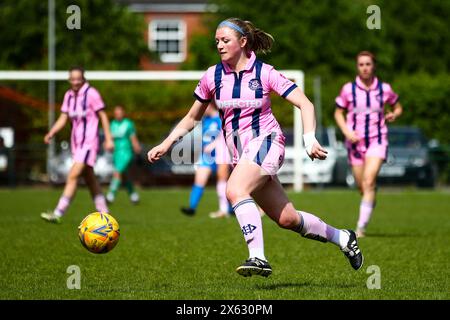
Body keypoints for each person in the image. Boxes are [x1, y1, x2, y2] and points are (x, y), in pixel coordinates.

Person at [148, 18, 363, 277]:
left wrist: (309, 139)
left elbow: (306, 104)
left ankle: (257, 257)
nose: (219, 45)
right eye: (216, 41)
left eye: (225, 40)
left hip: (269, 142)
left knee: (235, 189)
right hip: (243, 156)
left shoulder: (265, 73)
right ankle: (343, 238)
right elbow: (193, 117)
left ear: (243, 41)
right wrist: (167, 143)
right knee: (287, 219)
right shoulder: (211, 76)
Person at [335, 51, 402, 238]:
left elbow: (397, 106)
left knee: (369, 180)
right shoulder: (349, 89)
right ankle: (370, 194)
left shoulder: (384, 89)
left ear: (374, 66)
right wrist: (347, 131)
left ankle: (361, 228)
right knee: (361, 186)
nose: (365, 67)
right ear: (357, 67)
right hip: (355, 143)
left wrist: (394, 114)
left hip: (377, 140)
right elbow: (338, 113)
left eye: (368, 64)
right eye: (361, 64)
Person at [41, 66, 114, 223]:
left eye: (78, 79)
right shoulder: (68, 95)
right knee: (89, 178)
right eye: (72, 79)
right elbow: (63, 117)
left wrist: (108, 138)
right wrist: (51, 132)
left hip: (89, 143)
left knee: (73, 175)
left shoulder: (91, 94)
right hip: (76, 144)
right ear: (69, 79)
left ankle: (58, 213)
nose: (75, 82)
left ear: (83, 79)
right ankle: (105, 214)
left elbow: (103, 115)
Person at [180, 103, 233, 218]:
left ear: (210, 106)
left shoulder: (221, 118)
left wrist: (214, 144)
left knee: (223, 181)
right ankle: (192, 207)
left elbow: (226, 134)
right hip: (207, 156)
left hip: (222, 154)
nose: (202, 110)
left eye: (204, 107)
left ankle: (227, 209)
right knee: (199, 180)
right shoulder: (205, 120)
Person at [106, 105, 142, 204]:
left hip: (126, 152)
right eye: (116, 113)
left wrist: (137, 149)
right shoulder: (112, 124)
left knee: (117, 172)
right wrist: (107, 144)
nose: (117, 114)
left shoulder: (128, 124)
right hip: (116, 153)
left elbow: (133, 138)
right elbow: (109, 139)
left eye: (119, 112)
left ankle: (110, 195)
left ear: (123, 113)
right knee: (125, 176)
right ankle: (133, 196)